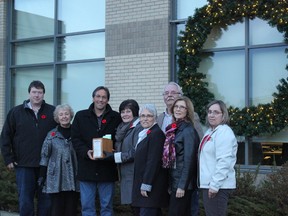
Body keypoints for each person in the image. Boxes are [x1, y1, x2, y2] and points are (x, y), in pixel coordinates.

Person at [0, 80, 57, 216]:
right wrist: (8, 159)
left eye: (40, 92)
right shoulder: (16, 112)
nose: (37, 95)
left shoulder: (52, 112)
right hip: (24, 164)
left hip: (47, 165)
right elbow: (5, 136)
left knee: (46, 201)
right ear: (29, 93)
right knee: (25, 200)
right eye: (34, 92)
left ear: (44, 94)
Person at [71, 86, 122, 216]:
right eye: (98, 96)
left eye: (104, 97)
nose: (100, 99)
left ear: (108, 100)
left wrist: (115, 149)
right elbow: (75, 139)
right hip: (87, 168)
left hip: (107, 169)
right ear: (93, 98)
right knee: (87, 207)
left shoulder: (116, 117)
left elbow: (120, 138)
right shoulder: (81, 116)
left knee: (107, 207)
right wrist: (86, 152)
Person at [157, 81, 203, 216]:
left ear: (187, 110)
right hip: (174, 180)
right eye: (176, 107)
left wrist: (182, 186)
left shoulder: (188, 130)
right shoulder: (176, 128)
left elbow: (190, 160)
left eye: (182, 107)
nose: (178, 109)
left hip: (183, 184)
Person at [198, 100, 238, 216]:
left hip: (218, 187)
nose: (211, 115)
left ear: (223, 115)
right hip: (209, 185)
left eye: (216, 112)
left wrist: (215, 185)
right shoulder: (210, 131)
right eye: (209, 112)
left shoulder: (224, 132)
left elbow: (224, 162)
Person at [38, 104, 79, 216]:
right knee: (56, 209)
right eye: (61, 114)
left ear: (70, 115)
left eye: (66, 114)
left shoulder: (77, 132)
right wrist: (42, 175)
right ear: (57, 117)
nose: (64, 116)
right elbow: (45, 155)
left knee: (71, 208)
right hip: (56, 177)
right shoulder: (51, 135)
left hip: (73, 177)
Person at [132, 104, 169, 216]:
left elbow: (153, 161)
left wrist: (146, 184)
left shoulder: (156, 134)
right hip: (144, 186)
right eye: (142, 116)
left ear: (155, 117)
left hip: (151, 187)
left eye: (149, 115)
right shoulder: (146, 133)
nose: (145, 118)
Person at [113, 99, 142, 207]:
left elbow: (136, 152)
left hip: (135, 175)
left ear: (134, 112)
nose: (125, 114)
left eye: (128, 111)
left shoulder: (138, 127)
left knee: (138, 208)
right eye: (122, 112)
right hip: (126, 174)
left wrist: (115, 156)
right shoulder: (121, 128)